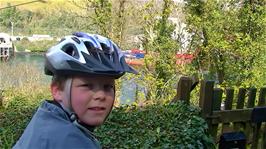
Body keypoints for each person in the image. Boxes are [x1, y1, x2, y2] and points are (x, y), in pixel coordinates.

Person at [13, 32, 137, 149]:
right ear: (57, 91)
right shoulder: (69, 141)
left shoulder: (46, 120)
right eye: (87, 85)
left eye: (108, 87)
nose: (100, 95)